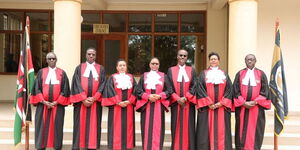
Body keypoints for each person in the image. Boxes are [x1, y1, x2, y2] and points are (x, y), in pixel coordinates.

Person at [30, 52, 70, 150]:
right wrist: (43, 101)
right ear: (46, 60)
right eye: (49, 58)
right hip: (43, 105)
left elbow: (65, 89)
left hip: (58, 106)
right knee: (41, 126)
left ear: (56, 60)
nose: (52, 60)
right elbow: (37, 88)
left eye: (53, 58)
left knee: (57, 126)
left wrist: (56, 102)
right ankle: (41, 146)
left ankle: (57, 146)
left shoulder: (62, 73)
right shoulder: (41, 72)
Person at [195, 52, 233, 150]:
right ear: (209, 61)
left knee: (222, 131)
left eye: (215, 59)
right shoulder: (203, 74)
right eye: (211, 59)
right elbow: (200, 89)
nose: (213, 60)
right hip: (208, 109)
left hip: (221, 108)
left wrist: (221, 103)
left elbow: (229, 90)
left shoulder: (224, 74)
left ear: (218, 61)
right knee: (205, 131)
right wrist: (208, 103)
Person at [233, 54, 271, 150]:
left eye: (251, 59)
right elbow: (235, 90)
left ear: (255, 61)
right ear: (245, 61)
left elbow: (265, 90)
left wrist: (255, 102)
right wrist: (243, 102)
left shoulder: (261, 74)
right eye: (247, 60)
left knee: (256, 130)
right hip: (242, 107)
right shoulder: (240, 74)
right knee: (240, 129)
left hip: (256, 108)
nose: (249, 61)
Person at [70, 47, 106, 150]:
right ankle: (79, 144)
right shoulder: (79, 68)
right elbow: (76, 83)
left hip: (95, 102)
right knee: (79, 124)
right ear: (85, 55)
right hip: (81, 103)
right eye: (89, 54)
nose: (91, 56)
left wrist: (94, 98)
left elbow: (103, 84)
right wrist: (83, 98)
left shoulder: (101, 68)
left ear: (95, 56)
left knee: (95, 124)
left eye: (93, 54)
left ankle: (93, 145)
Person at [135, 57, 173, 150]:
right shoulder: (144, 76)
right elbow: (138, 90)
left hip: (158, 106)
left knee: (158, 129)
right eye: (153, 63)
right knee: (146, 128)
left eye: (156, 64)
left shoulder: (164, 76)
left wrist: (160, 96)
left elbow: (169, 90)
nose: (154, 65)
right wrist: (147, 96)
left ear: (159, 65)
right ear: (149, 65)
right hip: (146, 105)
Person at [102, 59, 137, 150]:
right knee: (115, 127)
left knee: (128, 127)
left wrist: (130, 101)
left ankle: (128, 145)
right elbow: (109, 91)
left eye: (124, 65)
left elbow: (136, 91)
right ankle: (115, 145)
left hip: (128, 106)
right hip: (116, 107)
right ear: (117, 67)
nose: (122, 67)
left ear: (126, 67)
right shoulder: (112, 78)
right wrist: (118, 101)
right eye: (120, 65)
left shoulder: (131, 77)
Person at [167, 49, 197, 150]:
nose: (182, 57)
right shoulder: (171, 70)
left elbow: (194, 85)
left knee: (189, 126)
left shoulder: (191, 70)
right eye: (181, 55)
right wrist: (177, 98)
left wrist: (186, 97)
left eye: (185, 56)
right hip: (176, 103)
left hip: (188, 103)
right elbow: (169, 86)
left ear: (187, 57)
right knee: (176, 125)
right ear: (177, 56)